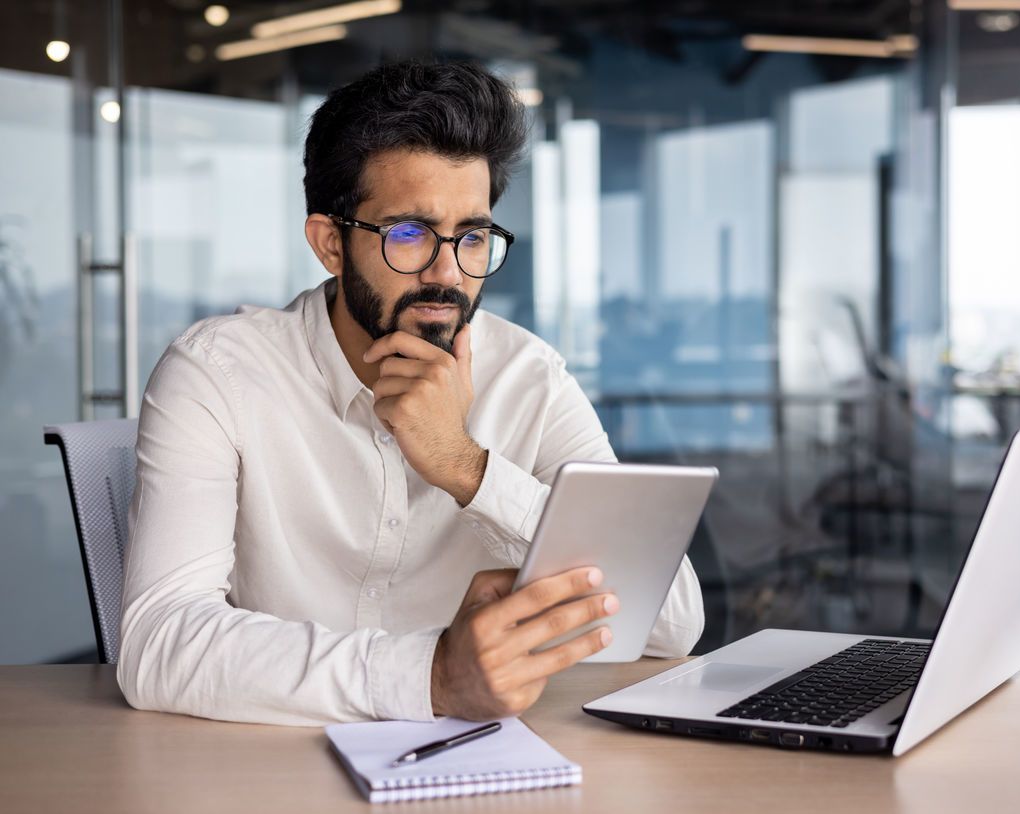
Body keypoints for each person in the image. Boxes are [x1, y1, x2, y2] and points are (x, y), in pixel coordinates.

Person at [117, 61, 703, 726]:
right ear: (331, 244)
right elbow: (159, 643)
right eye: (408, 233)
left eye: (474, 236)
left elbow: (671, 621)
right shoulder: (218, 374)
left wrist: (468, 470)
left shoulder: (530, 377)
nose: (448, 273)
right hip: (264, 770)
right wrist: (433, 679)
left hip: (479, 773)